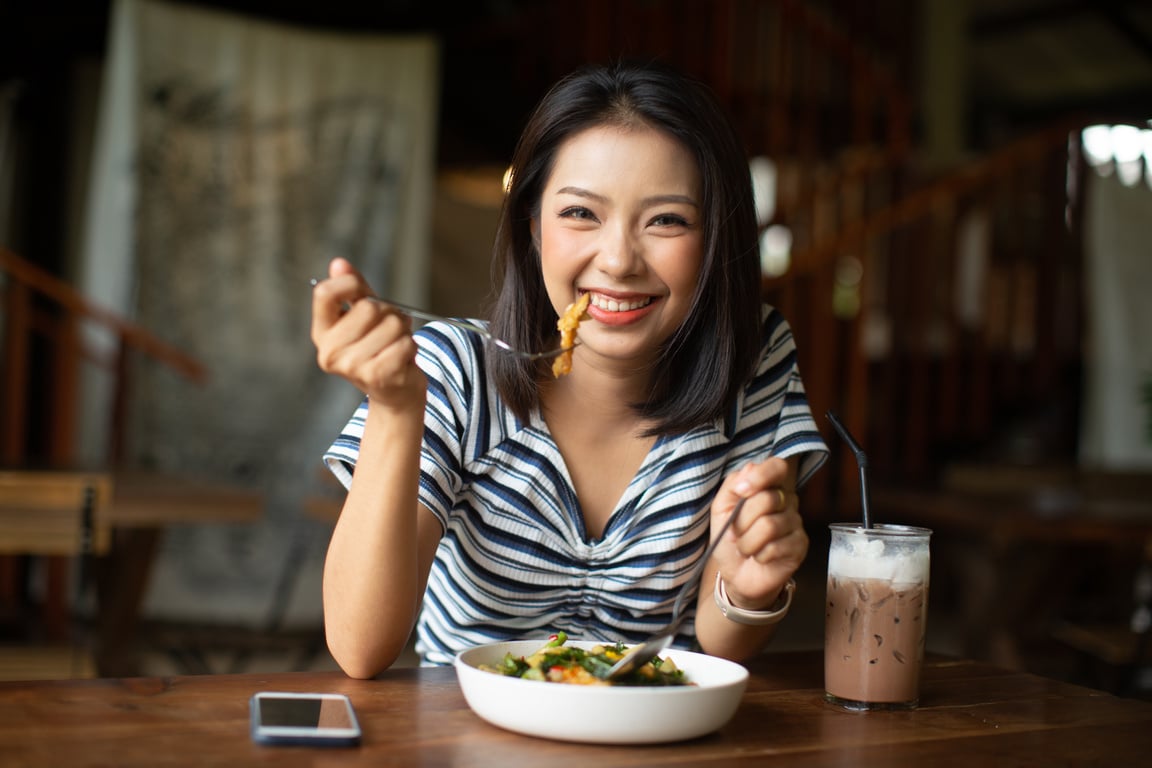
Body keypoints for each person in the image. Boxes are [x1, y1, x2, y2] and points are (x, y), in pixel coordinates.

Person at [310, 60, 828, 677]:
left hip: (657, 731)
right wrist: (397, 408)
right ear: (533, 225)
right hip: (466, 732)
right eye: (581, 213)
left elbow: (720, 647)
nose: (617, 260)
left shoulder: (755, 360)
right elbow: (360, 648)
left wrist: (746, 589)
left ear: (716, 237)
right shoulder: (452, 370)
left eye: (667, 220)